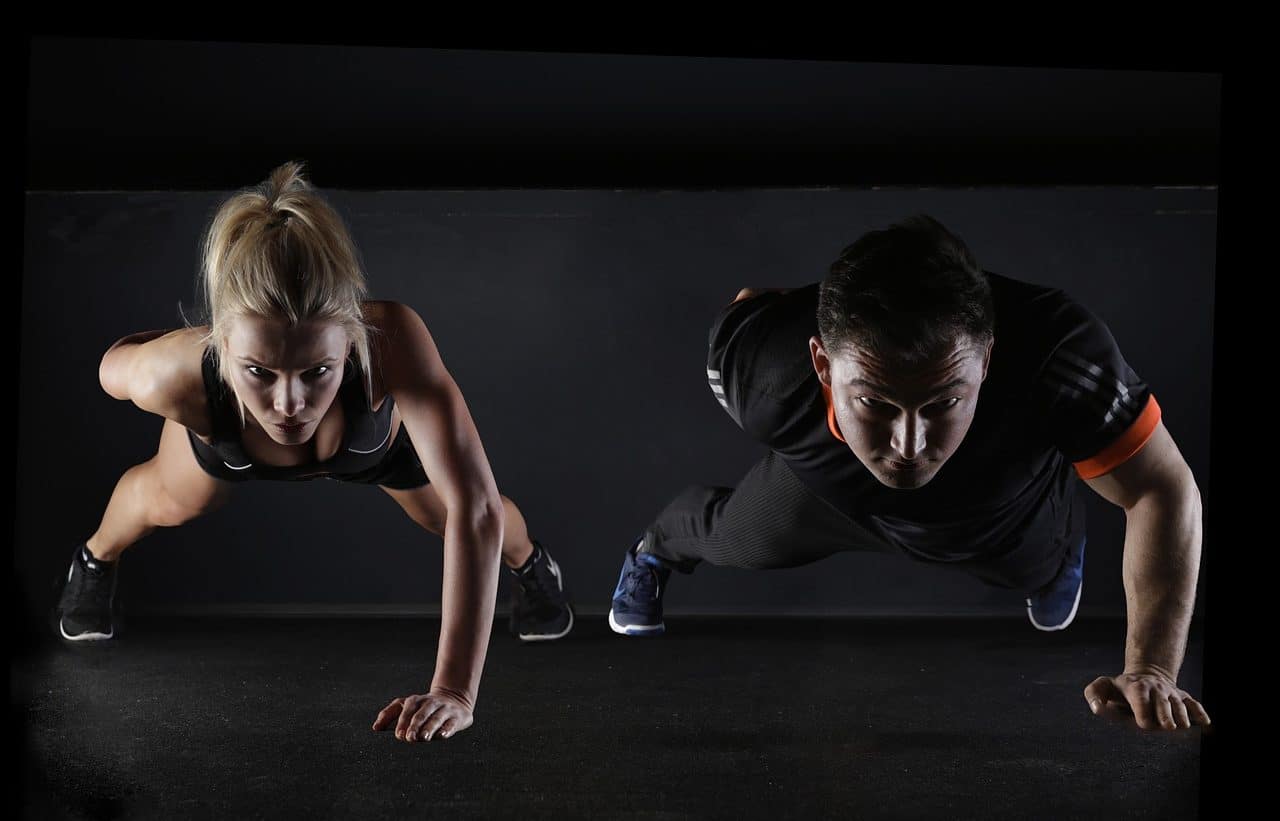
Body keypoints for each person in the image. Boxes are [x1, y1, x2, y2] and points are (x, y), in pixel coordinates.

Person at [609, 215, 1210, 732]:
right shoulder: (764, 369)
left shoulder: (1058, 352)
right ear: (822, 362)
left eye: (943, 402)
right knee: (729, 539)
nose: (908, 444)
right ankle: (654, 551)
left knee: (1035, 567)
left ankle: (1056, 548)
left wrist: (1153, 668)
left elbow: (1160, 487)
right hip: (826, 495)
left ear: (988, 359)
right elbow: (749, 307)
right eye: (875, 402)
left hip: (995, 513)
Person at [55, 161, 574, 742]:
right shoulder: (172, 376)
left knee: (448, 513)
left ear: (350, 338)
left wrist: (454, 689)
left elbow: (476, 507)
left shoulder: (391, 340)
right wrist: (187, 350)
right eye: (260, 371)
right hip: (228, 441)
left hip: (369, 448)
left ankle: (530, 566)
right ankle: (95, 561)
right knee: (168, 501)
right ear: (222, 342)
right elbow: (112, 366)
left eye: (317, 371)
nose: (289, 403)